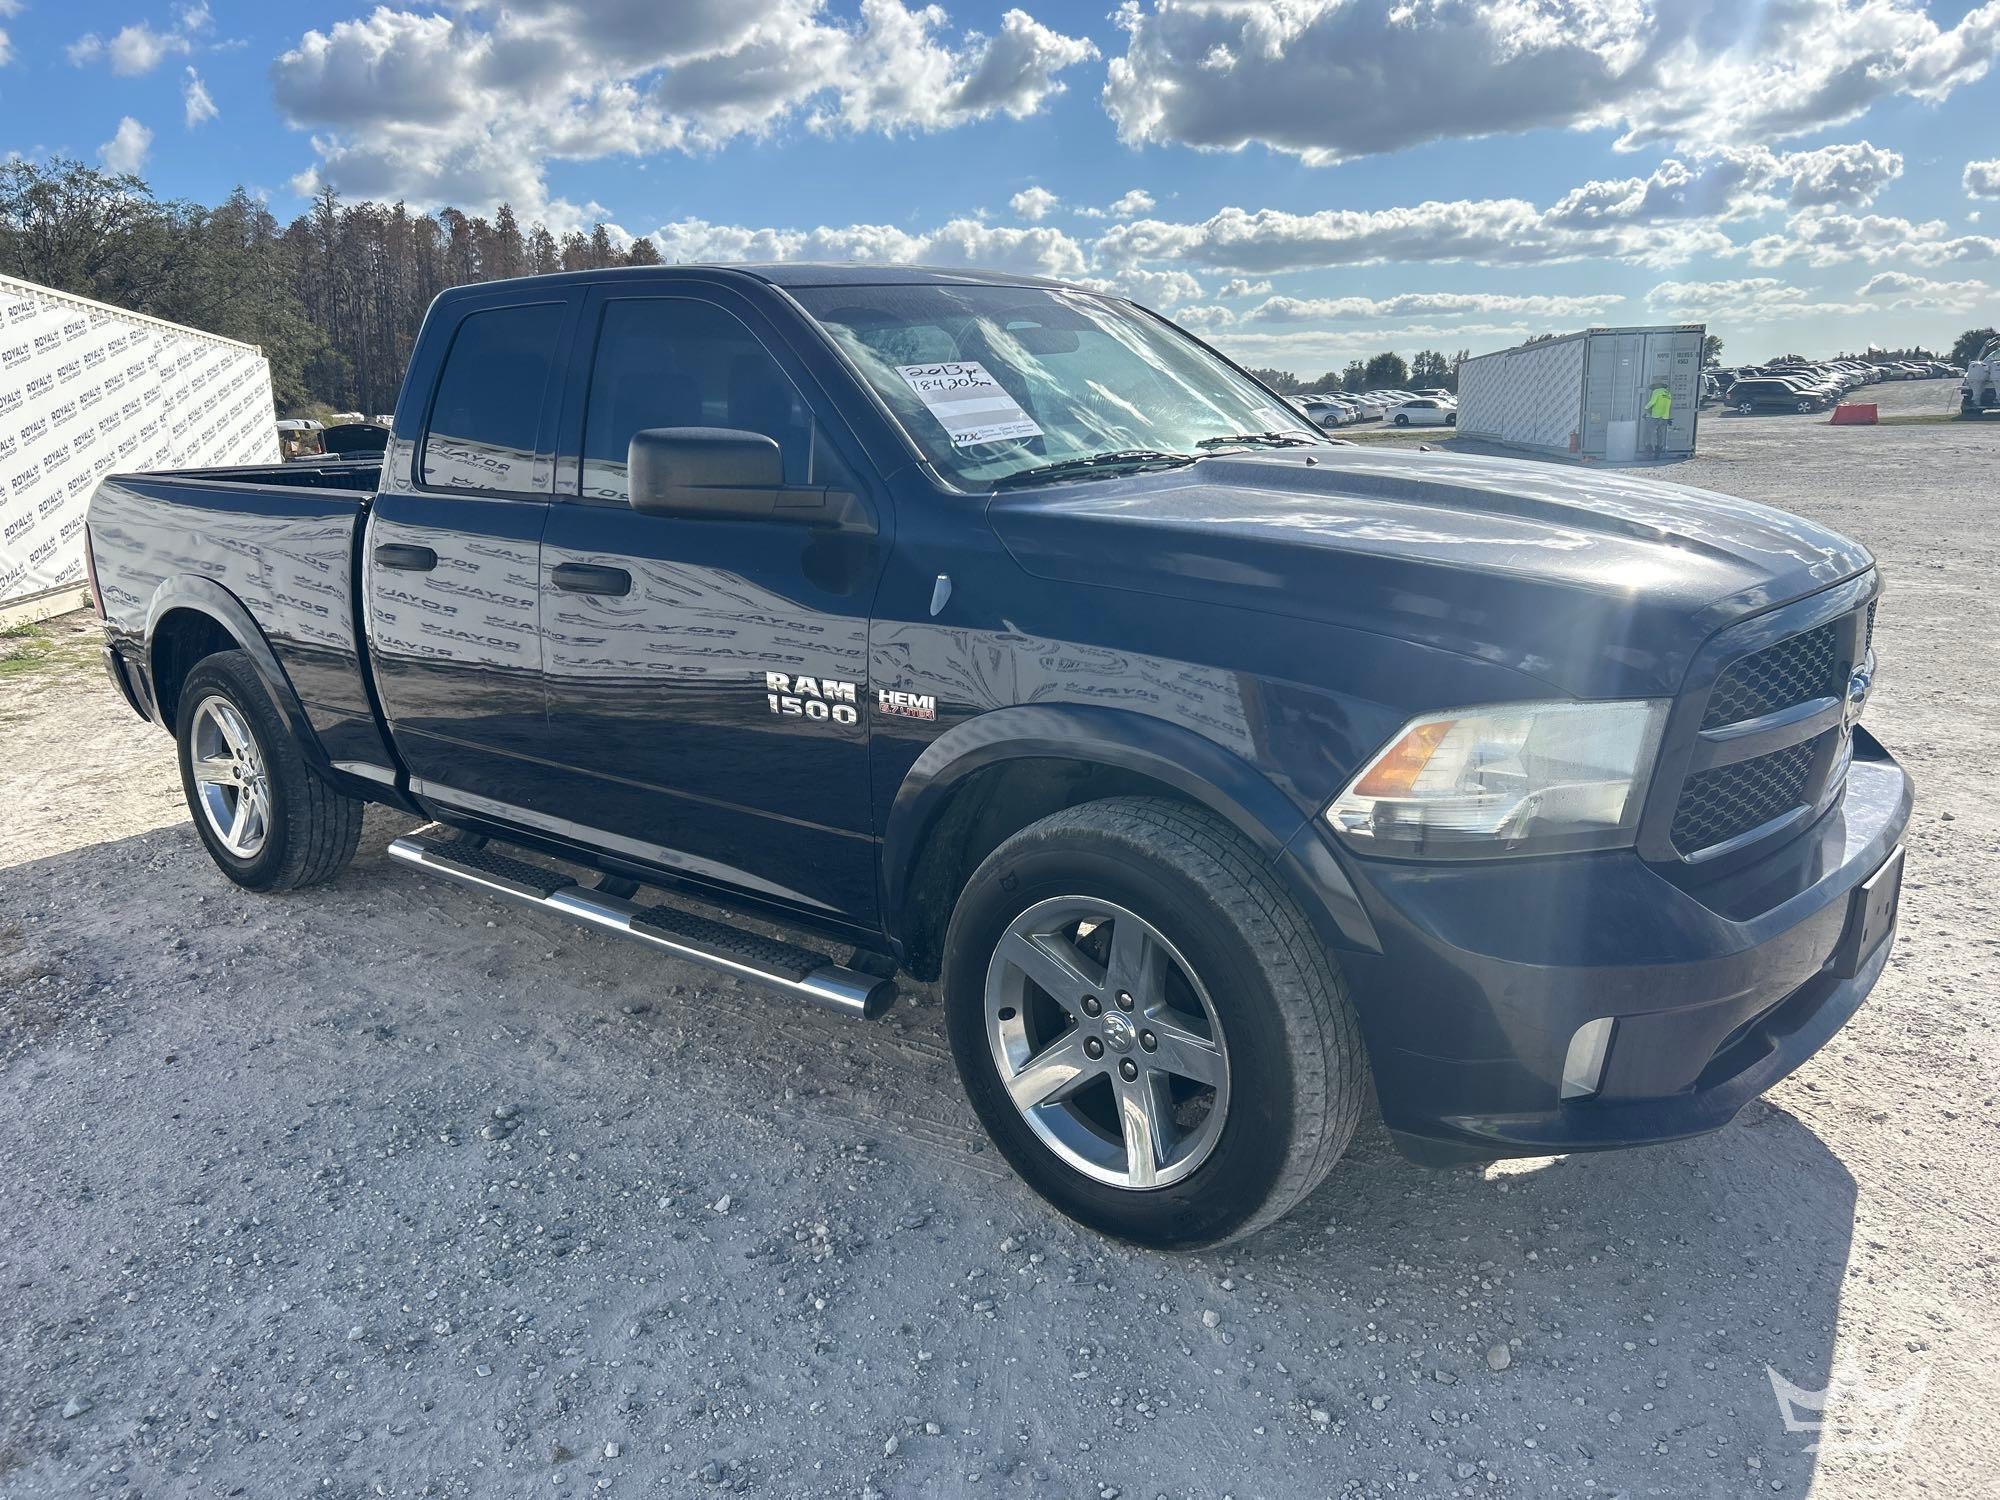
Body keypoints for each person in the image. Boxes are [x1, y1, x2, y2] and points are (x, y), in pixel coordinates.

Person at [1645, 382, 1674, 456]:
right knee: (1660, 435)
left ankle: (1649, 451)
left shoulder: (1656, 391)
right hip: (1665, 417)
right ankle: (1658, 452)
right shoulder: (1668, 393)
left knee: (1649, 433)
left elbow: (1652, 402)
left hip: (1655, 416)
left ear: (1657, 386)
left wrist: (1646, 408)